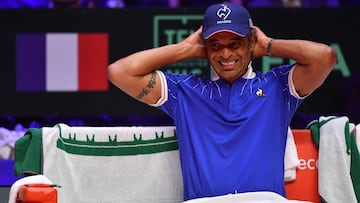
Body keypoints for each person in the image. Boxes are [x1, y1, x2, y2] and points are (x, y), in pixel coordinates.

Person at [107, 2, 337, 202]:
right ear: (205, 48)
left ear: (250, 43)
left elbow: (325, 57)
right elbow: (119, 72)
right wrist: (184, 49)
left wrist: (268, 45)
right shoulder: (186, 91)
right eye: (216, 45)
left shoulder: (277, 86)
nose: (225, 54)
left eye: (234, 43)